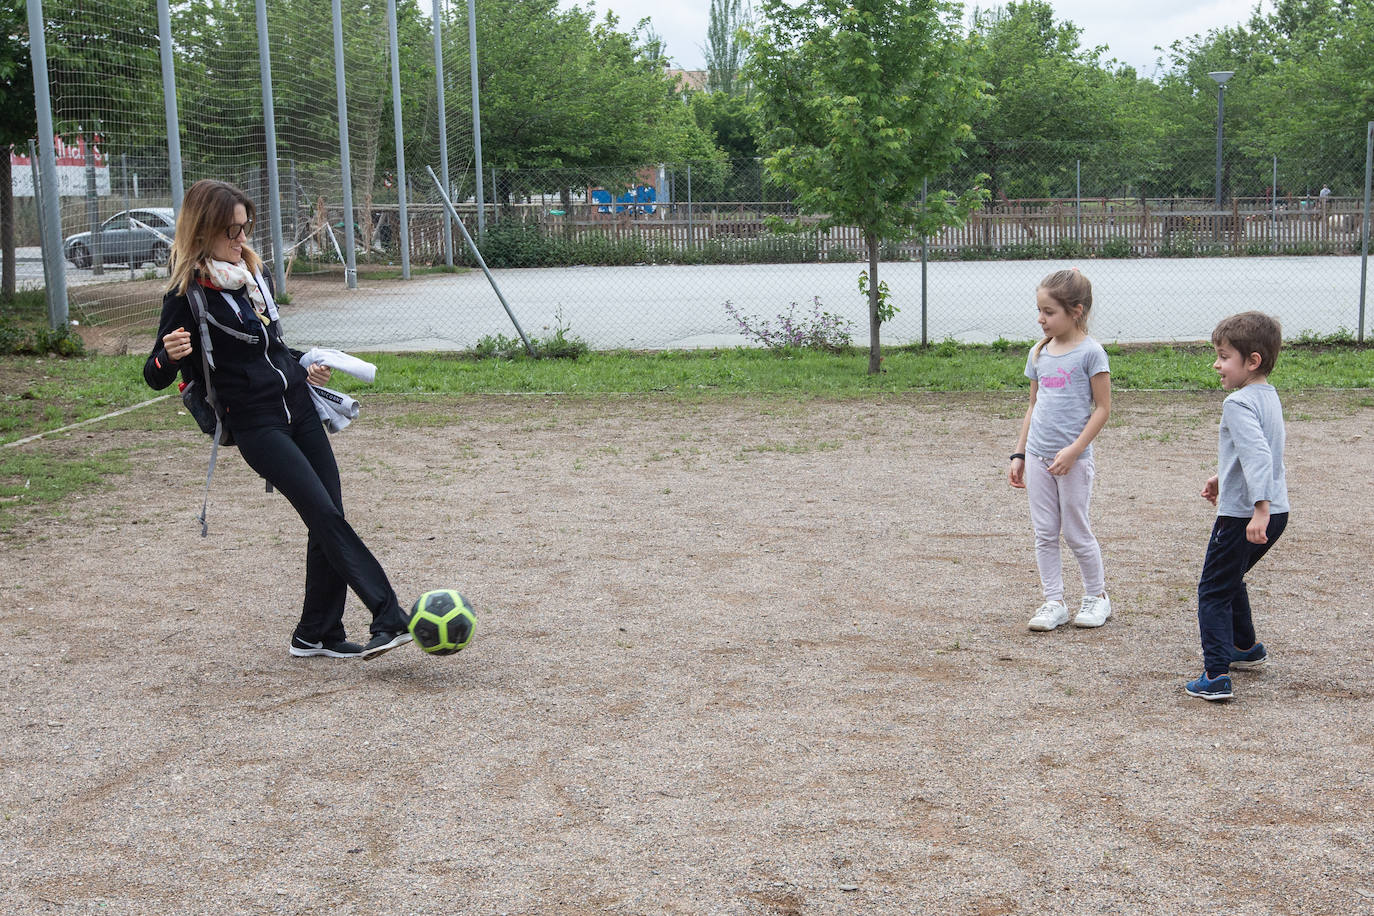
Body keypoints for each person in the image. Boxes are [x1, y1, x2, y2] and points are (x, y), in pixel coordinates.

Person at [143, 179, 412, 660]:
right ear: (203, 231)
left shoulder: (250, 279)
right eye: (231, 231)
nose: (240, 240)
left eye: (245, 228)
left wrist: (304, 362)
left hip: (299, 408)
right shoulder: (185, 296)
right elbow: (154, 375)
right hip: (256, 425)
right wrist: (167, 355)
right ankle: (389, 615)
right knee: (323, 514)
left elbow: (271, 349)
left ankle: (316, 634)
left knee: (328, 514)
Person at [1185, 312, 1289, 701]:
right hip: (1277, 510)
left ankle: (1215, 675)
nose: (1216, 364)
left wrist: (1257, 508)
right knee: (1231, 577)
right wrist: (1222, 478)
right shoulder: (1269, 396)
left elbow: (1259, 455)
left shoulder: (1238, 402)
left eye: (1224, 356)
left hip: (1247, 514)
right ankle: (1244, 647)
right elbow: (1260, 452)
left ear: (1252, 360)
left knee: (1212, 590)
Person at [1008, 269, 1112, 631]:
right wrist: (1019, 454)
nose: (1041, 318)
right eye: (1039, 310)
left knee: (1076, 531)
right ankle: (1054, 601)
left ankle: (1096, 597)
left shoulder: (1092, 353)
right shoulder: (1038, 353)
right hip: (1038, 458)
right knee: (1045, 532)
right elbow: (1034, 405)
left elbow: (1102, 409)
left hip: (1073, 462)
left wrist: (1074, 450)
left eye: (1049, 312)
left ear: (1076, 311)